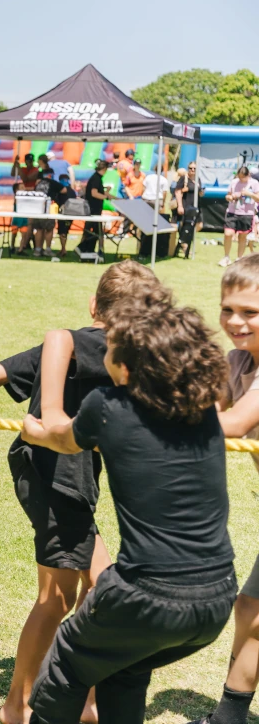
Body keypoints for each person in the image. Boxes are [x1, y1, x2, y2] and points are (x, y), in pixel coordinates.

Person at [0, 261, 170, 724]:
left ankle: (83, 697)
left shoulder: (71, 342)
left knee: (90, 588)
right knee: (61, 597)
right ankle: (20, 704)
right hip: (60, 480)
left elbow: (2, 370)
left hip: (50, 473)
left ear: (93, 304)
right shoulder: (103, 347)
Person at [23, 302, 235, 724]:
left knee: (65, 666)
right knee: (124, 668)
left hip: (146, 596)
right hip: (216, 597)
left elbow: (60, 437)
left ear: (124, 366)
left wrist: (36, 426)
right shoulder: (203, 408)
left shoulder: (107, 405)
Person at [188, 256, 259, 724]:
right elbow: (204, 406)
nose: (234, 321)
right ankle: (229, 716)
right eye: (226, 309)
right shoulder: (237, 362)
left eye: (250, 312)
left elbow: (232, 423)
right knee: (251, 608)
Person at [222, 166, 259, 267]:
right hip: (232, 211)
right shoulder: (234, 182)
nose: (241, 179)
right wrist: (230, 197)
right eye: (240, 177)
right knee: (228, 233)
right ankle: (226, 257)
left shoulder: (254, 183)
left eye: (243, 177)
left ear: (248, 175)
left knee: (242, 236)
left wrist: (249, 194)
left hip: (246, 213)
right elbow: (228, 195)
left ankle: (239, 258)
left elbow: (258, 198)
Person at [76, 160, 110, 261]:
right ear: (104, 169)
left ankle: (87, 251)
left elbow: (102, 193)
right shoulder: (96, 179)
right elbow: (94, 193)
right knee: (93, 232)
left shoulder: (97, 178)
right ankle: (83, 249)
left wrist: (111, 196)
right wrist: (105, 197)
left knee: (93, 231)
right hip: (93, 210)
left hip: (94, 210)